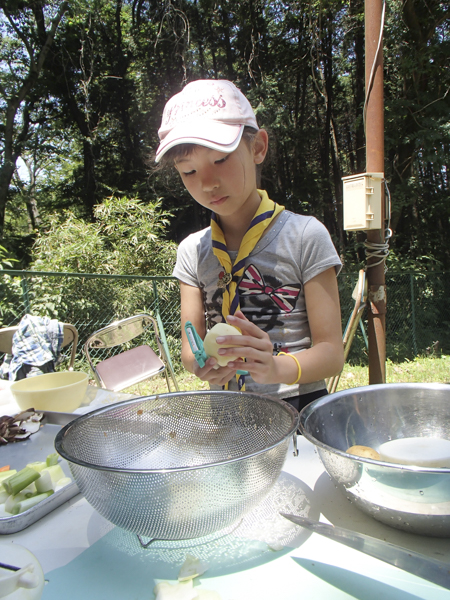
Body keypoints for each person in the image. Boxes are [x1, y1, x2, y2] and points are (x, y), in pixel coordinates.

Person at [155, 79, 344, 412]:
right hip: (225, 411)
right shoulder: (191, 252)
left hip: (297, 411)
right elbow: (190, 344)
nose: (207, 183)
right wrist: (200, 364)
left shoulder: (305, 236)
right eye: (189, 171)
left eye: (221, 159)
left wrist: (276, 368)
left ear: (258, 147)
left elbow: (332, 353)